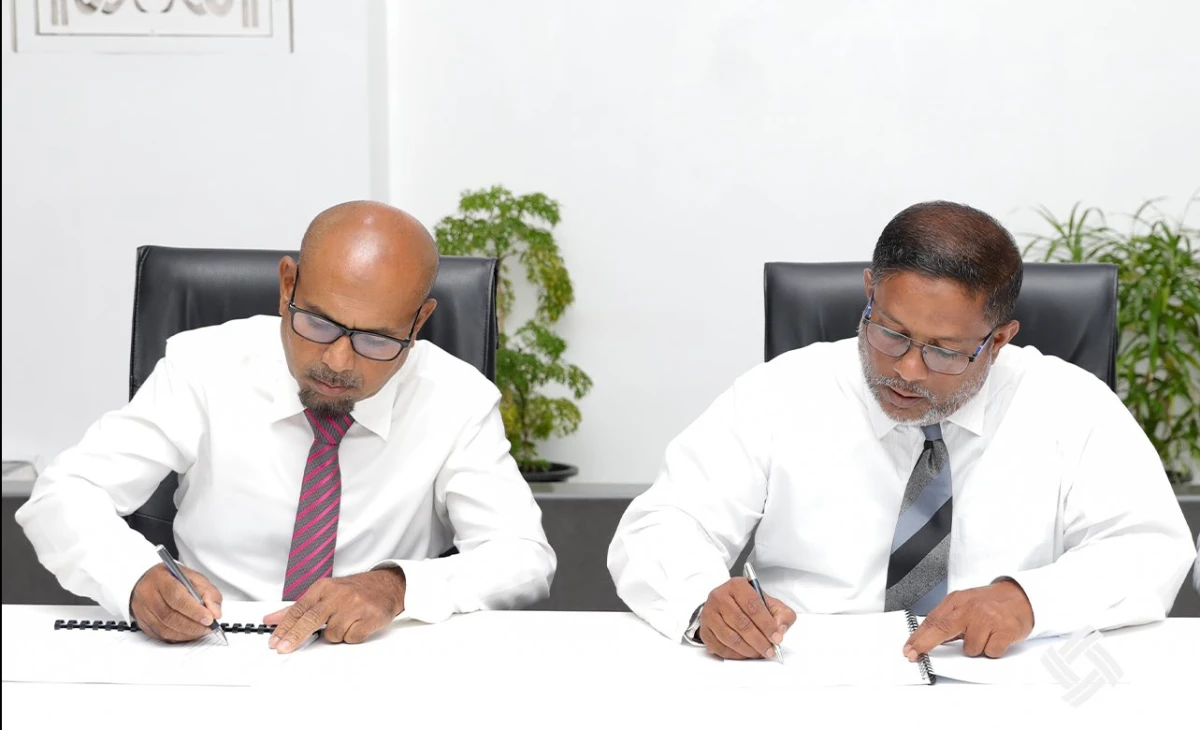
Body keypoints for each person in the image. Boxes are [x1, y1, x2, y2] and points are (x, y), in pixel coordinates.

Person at [608, 201, 1196, 662]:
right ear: (870, 293)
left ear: (998, 340)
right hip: (800, 672)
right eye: (890, 333)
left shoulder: (1070, 404)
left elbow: (1150, 546)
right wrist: (704, 603)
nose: (907, 370)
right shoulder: (781, 392)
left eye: (945, 351)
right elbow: (663, 523)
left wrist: (1027, 600)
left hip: (1001, 682)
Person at [18, 201, 556, 652]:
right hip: (213, 644)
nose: (338, 363)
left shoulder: (456, 398)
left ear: (418, 323)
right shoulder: (205, 365)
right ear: (287, 286)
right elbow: (63, 493)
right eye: (318, 323)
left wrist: (397, 587)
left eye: (376, 339)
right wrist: (132, 575)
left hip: (374, 654)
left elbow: (524, 557)